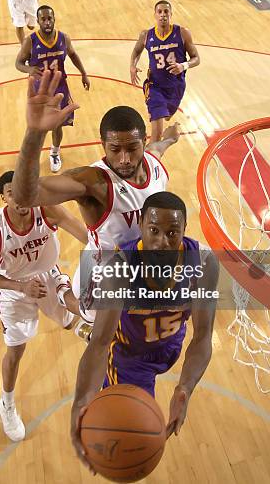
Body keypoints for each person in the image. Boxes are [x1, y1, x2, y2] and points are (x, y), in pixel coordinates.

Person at [11, 71, 181, 325]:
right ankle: (60, 288)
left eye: (132, 149)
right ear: (103, 146)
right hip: (102, 269)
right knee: (87, 313)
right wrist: (35, 133)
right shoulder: (93, 181)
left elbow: (160, 147)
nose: (124, 159)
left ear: (143, 143)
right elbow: (25, 196)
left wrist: (169, 137)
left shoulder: (153, 162)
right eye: (115, 150)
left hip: (140, 265)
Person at [70, 191, 219, 470]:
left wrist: (184, 387)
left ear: (185, 231)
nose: (162, 242)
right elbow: (100, 344)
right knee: (129, 438)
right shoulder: (121, 268)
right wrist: (81, 401)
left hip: (171, 346)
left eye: (173, 232)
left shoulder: (203, 263)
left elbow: (202, 336)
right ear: (140, 225)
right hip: (129, 359)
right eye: (154, 230)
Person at [0, 170, 88, 442]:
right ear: (3, 197)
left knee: (75, 311)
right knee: (16, 352)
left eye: (23, 189)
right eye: (11, 192)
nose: (19, 197)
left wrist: (110, 250)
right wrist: (20, 287)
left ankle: (83, 322)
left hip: (48, 274)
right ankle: (7, 403)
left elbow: (83, 233)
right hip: (14, 289)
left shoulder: (47, 209)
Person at [15, 5, 90, 172]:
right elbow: (18, 63)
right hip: (40, 90)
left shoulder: (63, 38)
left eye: (50, 18)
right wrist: (29, 69)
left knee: (57, 125)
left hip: (60, 87)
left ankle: (55, 151)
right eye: (43, 19)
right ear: (38, 21)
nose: (47, 22)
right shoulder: (30, 41)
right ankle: (32, 152)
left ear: (54, 19)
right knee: (37, 126)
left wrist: (84, 73)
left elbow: (73, 54)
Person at [130, 0, 200, 143]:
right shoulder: (146, 35)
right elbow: (136, 51)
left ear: (171, 14)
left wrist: (183, 66)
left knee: (167, 116)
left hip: (176, 86)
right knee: (156, 135)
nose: (163, 15)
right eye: (159, 12)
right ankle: (148, 161)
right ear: (155, 15)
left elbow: (196, 58)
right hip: (154, 87)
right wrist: (132, 66)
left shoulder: (182, 33)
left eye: (166, 11)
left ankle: (161, 116)